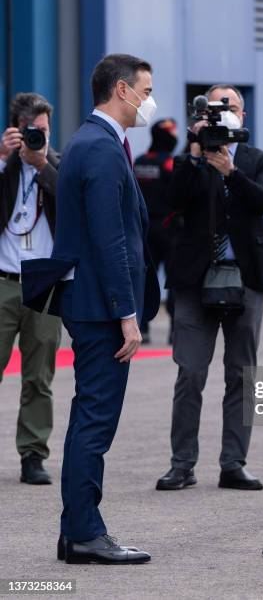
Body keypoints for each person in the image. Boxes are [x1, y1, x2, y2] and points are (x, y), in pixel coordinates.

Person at [21, 53, 161, 564]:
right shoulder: (100, 148)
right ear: (121, 90)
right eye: (145, 90)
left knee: (90, 416)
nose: (149, 101)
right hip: (102, 308)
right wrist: (128, 313)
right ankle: (84, 532)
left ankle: (75, 530)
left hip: (93, 302)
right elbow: (109, 240)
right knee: (96, 420)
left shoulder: (95, 142)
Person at [156, 84, 263, 491]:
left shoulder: (260, 159)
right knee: (190, 372)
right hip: (196, 279)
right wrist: (195, 153)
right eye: (216, 107)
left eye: (231, 106)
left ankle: (233, 462)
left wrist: (230, 170)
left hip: (246, 277)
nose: (223, 113)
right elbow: (171, 201)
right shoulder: (190, 159)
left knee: (241, 374)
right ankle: (182, 464)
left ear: (243, 115)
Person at [0, 93, 61, 485]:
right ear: (16, 130)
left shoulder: (58, 166)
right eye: (32, 132)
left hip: (44, 284)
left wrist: (42, 166)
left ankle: (33, 455)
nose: (39, 137)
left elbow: (74, 201)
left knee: (39, 377)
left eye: (44, 131)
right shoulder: (3, 166)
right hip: (3, 280)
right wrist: (5, 160)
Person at [134, 118, 181, 344]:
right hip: (168, 229)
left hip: (144, 230)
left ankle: (141, 327)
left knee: (144, 279)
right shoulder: (171, 163)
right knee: (174, 281)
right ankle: (175, 329)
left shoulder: (139, 161)